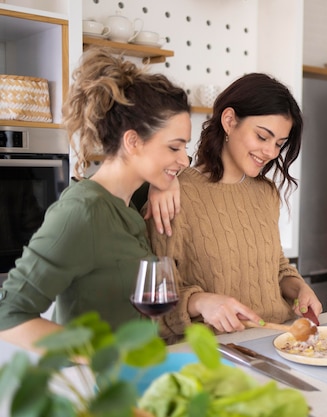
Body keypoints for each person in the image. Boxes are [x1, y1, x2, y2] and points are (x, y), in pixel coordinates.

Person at [0, 48, 191, 352]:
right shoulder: (83, 211)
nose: (184, 160)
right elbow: (9, 314)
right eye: (174, 148)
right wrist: (96, 358)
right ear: (133, 141)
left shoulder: (136, 196)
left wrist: (168, 180)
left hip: (132, 379)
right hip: (92, 386)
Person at [147, 73, 322, 344]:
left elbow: (276, 267)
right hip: (212, 354)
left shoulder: (266, 193)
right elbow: (155, 299)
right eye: (263, 137)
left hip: (279, 342)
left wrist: (298, 288)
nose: (271, 153)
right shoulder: (174, 194)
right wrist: (200, 301)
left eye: (279, 144)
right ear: (229, 121)